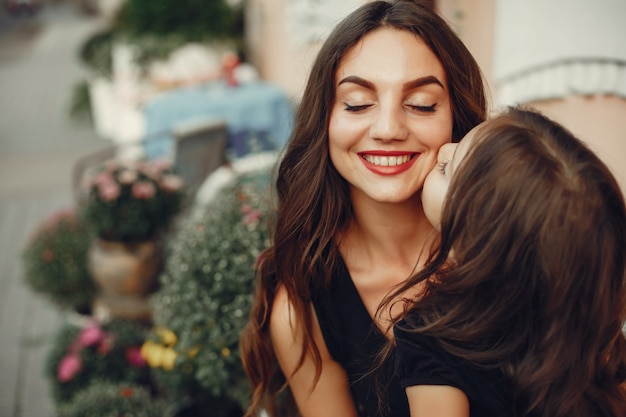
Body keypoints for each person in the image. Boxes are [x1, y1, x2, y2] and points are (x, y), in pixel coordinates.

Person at [239, 1, 487, 416]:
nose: (388, 129)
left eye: (422, 104)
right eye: (356, 103)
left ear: (456, 120)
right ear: (325, 119)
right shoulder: (304, 305)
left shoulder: (515, 250)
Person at [382, 106, 626, 417]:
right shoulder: (593, 329)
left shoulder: (429, 336)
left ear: (474, 243)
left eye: (447, 169)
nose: (444, 147)